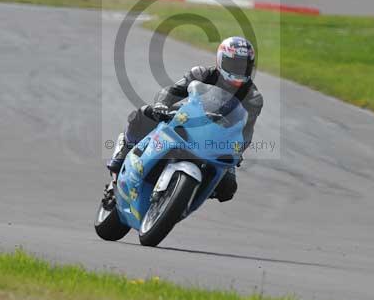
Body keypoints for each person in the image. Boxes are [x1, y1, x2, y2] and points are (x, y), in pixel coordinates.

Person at [107, 36, 263, 203]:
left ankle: (184, 196)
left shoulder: (253, 98)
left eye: (243, 67)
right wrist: (161, 105)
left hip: (219, 138)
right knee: (144, 114)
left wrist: (238, 151)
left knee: (228, 188)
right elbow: (172, 91)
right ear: (221, 60)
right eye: (234, 65)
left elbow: (246, 131)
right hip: (187, 118)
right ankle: (122, 155)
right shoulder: (201, 74)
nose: (239, 70)